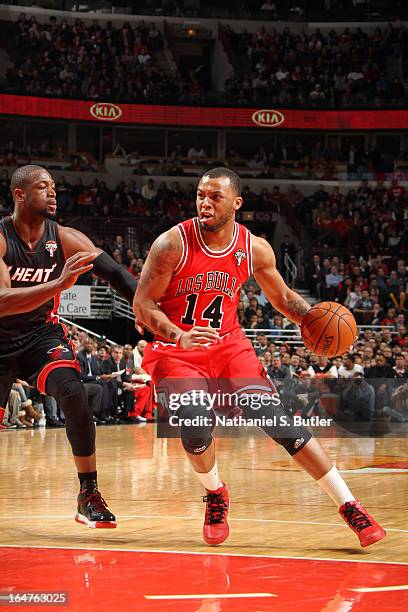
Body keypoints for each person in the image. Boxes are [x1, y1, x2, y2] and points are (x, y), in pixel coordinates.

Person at [134, 167, 385, 549]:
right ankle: (216, 493)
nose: (205, 202)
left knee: (280, 423)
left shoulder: (255, 248)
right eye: (201, 194)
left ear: (236, 203)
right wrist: (180, 335)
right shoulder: (172, 244)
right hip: (177, 350)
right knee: (196, 425)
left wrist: (317, 324)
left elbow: (284, 299)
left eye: (215, 196)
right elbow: (143, 304)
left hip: (229, 347)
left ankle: (350, 505)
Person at [0, 164, 137, 528]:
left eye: (54, 187)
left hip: (39, 336)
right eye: (43, 187)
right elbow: (2, 300)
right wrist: (58, 285)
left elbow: (117, 275)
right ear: (19, 195)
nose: (53, 193)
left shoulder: (65, 238)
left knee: (73, 392)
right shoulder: (0, 238)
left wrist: (148, 311)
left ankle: (88, 493)